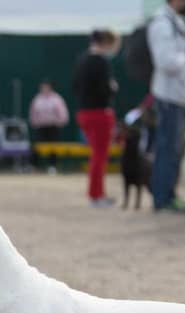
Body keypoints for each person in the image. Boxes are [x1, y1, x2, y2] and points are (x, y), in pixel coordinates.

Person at [148, 0, 185, 212]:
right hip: (169, 97)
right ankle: (162, 198)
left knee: (175, 151)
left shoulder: (176, 22)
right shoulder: (162, 24)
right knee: (167, 149)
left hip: (178, 97)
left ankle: (168, 194)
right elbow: (165, 61)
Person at [73, 29, 121, 207]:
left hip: (83, 112)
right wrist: (113, 87)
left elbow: (76, 86)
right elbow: (106, 88)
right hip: (100, 113)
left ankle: (98, 193)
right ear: (106, 43)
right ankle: (96, 195)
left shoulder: (82, 59)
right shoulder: (102, 62)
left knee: (97, 155)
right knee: (100, 156)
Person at [29, 80, 69, 173]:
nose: (44, 89)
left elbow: (62, 111)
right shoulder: (37, 98)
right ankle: (33, 166)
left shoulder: (57, 98)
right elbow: (33, 112)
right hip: (41, 127)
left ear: (50, 87)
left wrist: (61, 121)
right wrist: (34, 122)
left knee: (53, 146)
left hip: (53, 126)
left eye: (46, 87)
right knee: (37, 146)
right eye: (43, 87)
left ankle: (53, 166)